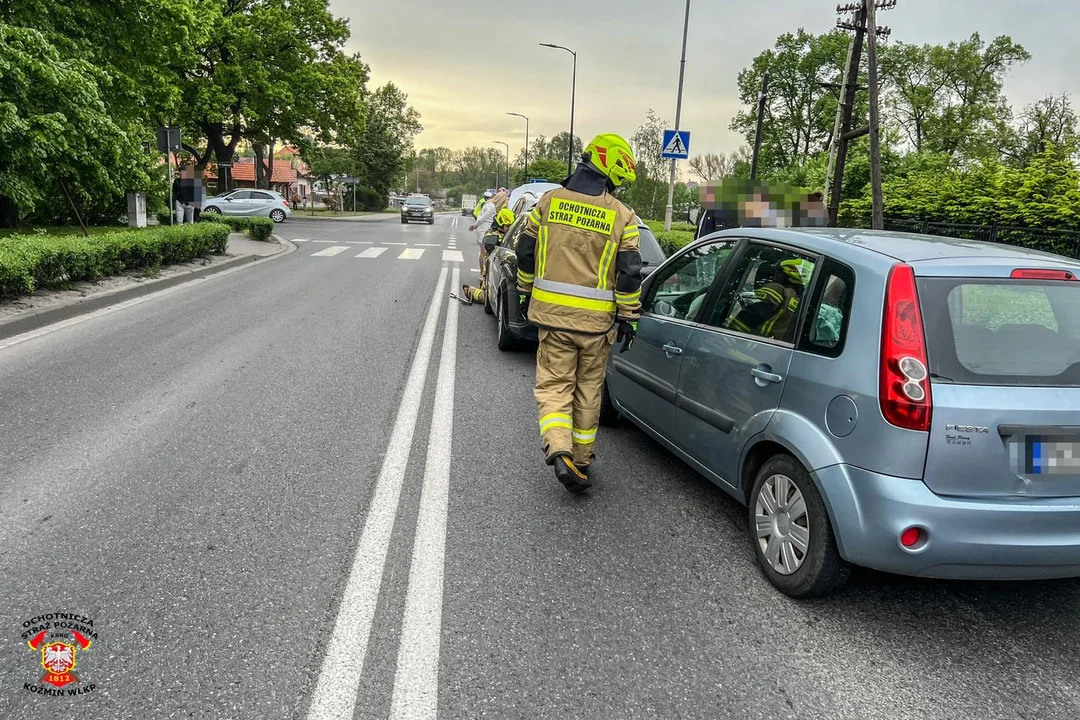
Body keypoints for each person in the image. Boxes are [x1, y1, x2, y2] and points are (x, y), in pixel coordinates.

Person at [515, 134, 642, 493]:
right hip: (597, 327)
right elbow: (630, 273)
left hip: (553, 319)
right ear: (610, 170)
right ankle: (581, 460)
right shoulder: (623, 216)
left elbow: (526, 252)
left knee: (555, 386)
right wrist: (629, 317)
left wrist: (526, 292)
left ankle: (559, 449)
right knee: (588, 390)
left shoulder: (549, 203)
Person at [726, 258, 814, 341]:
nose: (775, 276)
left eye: (779, 273)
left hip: (740, 343)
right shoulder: (801, 302)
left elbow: (752, 315)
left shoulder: (777, 289)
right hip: (768, 350)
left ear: (791, 275)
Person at [461, 207, 515, 304]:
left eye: (510, 226)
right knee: (487, 296)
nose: (508, 228)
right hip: (490, 267)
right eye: (507, 226)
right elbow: (489, 247)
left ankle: (473, 291)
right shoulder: (491, 232)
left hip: (501, 266)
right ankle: (471, 291)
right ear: (500, 222)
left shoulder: (512, 234)